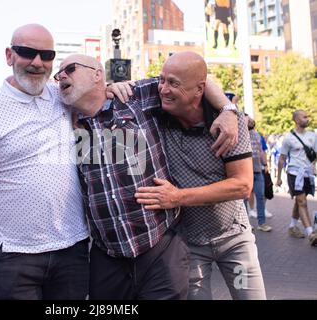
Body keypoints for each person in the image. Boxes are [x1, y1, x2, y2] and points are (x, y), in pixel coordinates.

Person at [55, 53, 238, 299]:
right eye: (58, 74)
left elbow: (195, 79)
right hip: (107, 257)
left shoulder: (134, 97)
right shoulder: (63, 120)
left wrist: (228, 109)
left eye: (70, 69)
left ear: (97, 74)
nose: (61, 76)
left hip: (160, 249)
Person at [0, 24, 90, 300]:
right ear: (9, 55)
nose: (37, 62)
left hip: (73, 248)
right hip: (17, 255)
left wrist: (118, 86)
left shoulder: (64, 96)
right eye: (27, 52)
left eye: (46, 55)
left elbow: (101, 93)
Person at [133, 52, 266, 299]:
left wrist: (177, 197)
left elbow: (242, 185)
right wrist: (117, 87)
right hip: (189, 244)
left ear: (199, 90)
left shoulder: (228, 126)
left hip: (234, 240)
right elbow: (126, 93)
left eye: (173, 83)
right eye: (162, 80)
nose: (163, 89)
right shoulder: (159, 114)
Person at [277, 110, 317, 245]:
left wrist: (314, 167)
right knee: (302, 202)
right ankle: (311, 233)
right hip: (294, 174)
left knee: (300, 201)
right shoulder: (289, 138)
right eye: (304, 117)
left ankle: (292, 226)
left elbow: (315, 155)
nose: (307, 118)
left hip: (308, 174)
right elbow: (282, 158)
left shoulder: (312, 135)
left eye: (307, 116)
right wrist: (278, 178)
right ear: (296, 120)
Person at [246, 115, 272, 232]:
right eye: (247, 119)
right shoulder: (240, 135)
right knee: (244, 199)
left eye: (251, 118)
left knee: (260, 197)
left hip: (258, 171)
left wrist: (265, 165)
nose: (251, 120)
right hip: (245, 172)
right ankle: (245, 225)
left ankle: (261, 223)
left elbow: (261, 151)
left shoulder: (257, 135)